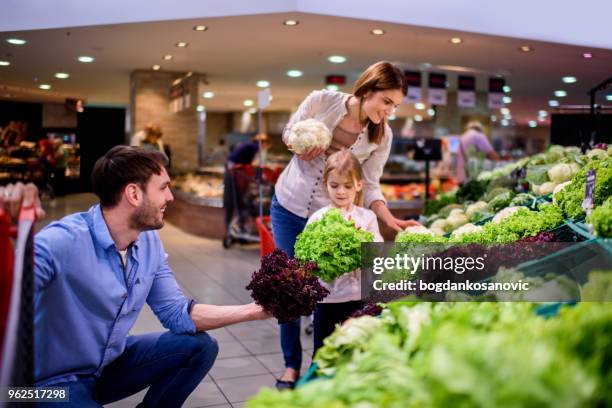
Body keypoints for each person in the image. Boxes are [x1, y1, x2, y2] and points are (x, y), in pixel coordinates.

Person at [27, 146, 269, 407]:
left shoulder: (148, 242)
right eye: (163, 187)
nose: (171, 197)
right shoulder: (62, 240)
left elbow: (177, 313)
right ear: (133, 193)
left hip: (107, 367)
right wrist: (10, 228)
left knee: (200, 347)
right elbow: (9, 286)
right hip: (47, 385)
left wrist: (252, 311)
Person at [271, 61, 420, 389]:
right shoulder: (322, 100)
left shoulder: (382, 135)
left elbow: (370, 184)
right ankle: (290, 365)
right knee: (290, 287)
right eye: (386, 102)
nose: (390, 111)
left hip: (327, 219)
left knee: (325, 291)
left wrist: (387, 217)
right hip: (288, 206)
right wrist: (299, 145)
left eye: (395, 106)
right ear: (368, 90)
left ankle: (324, 362)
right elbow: (289, 133)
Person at [306, 149, 383, 354]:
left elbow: (376, 251)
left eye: (347, 186)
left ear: (359, 185)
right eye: (334, 185)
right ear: (325, 186)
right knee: (322, 353)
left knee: (358, 350)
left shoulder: (367, 218)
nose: (341, 191)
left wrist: (361, 246)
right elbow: (305, 256)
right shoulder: (318, 218)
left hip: (359, 298)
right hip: (327, 299)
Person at [223, 134, 270, 237]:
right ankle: (235, 230)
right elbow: (257, 162)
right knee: (239, 203)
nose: (266, 145)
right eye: (265, 143)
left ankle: (233, 230)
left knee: (234, 204)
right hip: (234, 177)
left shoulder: (248, 146)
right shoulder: (254, 146)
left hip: (233, 176)